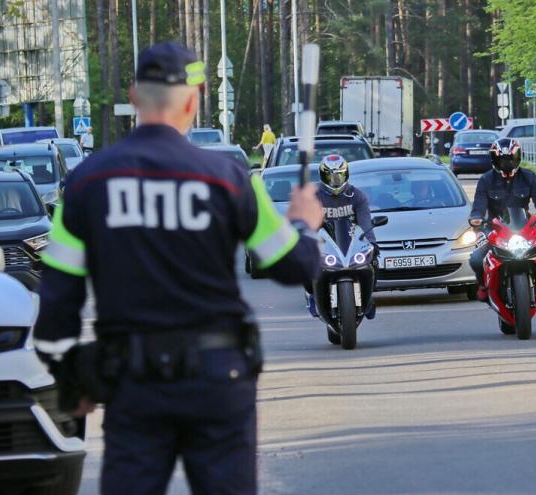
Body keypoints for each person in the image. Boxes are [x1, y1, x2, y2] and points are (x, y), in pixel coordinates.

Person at [32, 42, 323, 494]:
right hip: (218, 379)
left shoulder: (87, 183)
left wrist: (70, 382)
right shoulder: (226, 178)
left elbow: (56, 301)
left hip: (133, 384)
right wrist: (304, 223)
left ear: (133, 97)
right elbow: (294, 267)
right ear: (194, 99)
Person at [468, 137, 536, 301]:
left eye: (510, 158)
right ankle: (483, 285)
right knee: (476, 259)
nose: (506, 163)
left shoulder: (529, 177)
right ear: (494, 159)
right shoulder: (486, 180)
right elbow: (478, 208)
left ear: (517, 157)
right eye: (502, 159)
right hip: (494, 229)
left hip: (524, 228)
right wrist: (478, 229)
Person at [305, 154, 377, 318]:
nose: (335, 180)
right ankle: (313, 296)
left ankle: (369, 296)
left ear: (346, 174)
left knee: (373, 260)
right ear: (323, 175)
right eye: (331, 176)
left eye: (339, 175)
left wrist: (372, 243)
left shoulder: (356, 195)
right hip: (322, 241)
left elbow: (365, 221)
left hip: (350, 241)